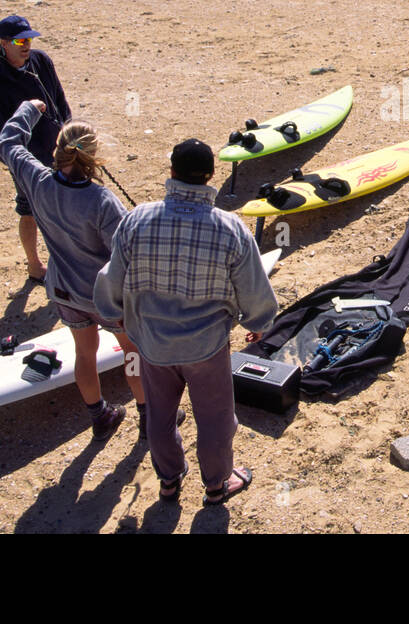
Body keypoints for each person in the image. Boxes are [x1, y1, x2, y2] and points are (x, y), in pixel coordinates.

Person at [94, 139, 278, 506]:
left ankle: (169, 481)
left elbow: (111, 278)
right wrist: (257, 321)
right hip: (206, 347)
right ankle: (216, 485)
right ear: (211, 176)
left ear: (172, 172)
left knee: (159, 416)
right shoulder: (231, 228)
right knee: (214, 419)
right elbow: (255, 288)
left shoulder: (137, 218)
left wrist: (112, 310)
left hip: (152, 344)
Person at [0, 99, 145, 441]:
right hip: (105, 296)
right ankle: (147, 415)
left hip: (65, 290)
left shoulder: (37, 181)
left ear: (57, 149)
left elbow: (7, 142)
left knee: (84, 352)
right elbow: (125, 256)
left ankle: (100, 415)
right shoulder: (102, 201)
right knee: (133, 353)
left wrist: (29, 110)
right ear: (94, 158)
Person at [0, 15, 71, 283]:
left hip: (59, 151)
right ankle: (34, 265)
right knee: (29, 211)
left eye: (29, 39)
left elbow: (59, 100)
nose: (26, 45)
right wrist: (19, 164)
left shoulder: (41, 61)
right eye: (20, 40)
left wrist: (67, 132)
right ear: (4, 43)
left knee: (64, 208)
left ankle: (65, 262)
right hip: (27, 161)